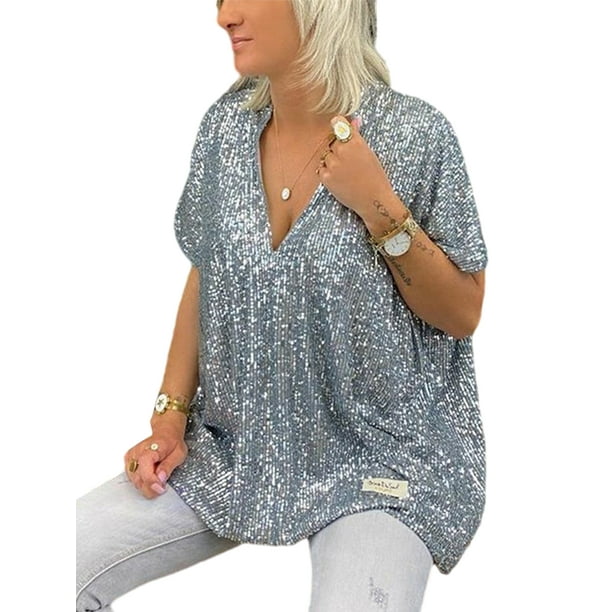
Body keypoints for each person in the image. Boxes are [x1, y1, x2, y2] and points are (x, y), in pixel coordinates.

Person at [76, 0, 488, 610]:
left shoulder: (415, 134)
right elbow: (208, 270)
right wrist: (169, 418)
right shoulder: (227, 129)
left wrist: (377, 202)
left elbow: (462, 312)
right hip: (235, 449)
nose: (224, 16)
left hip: (381, 463)